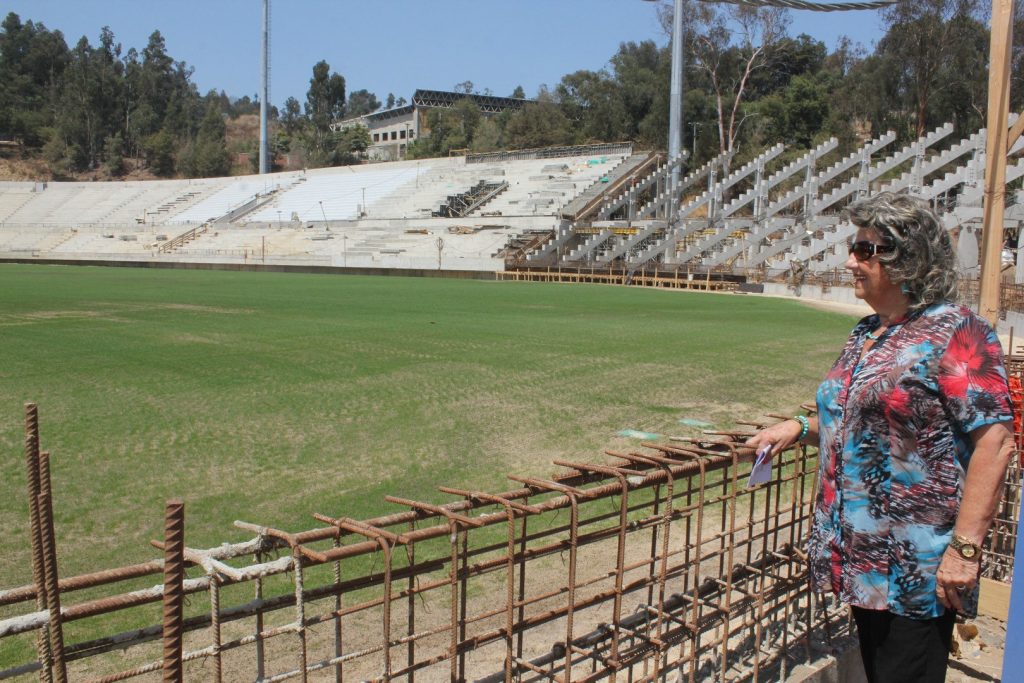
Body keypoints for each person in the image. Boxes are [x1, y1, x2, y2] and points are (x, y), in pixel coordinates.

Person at [746, 192, 1015, 683]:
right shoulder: (867, 331)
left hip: (916, 565)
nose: (851, 261)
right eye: (855, 248)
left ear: (908, 259)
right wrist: (799, 427)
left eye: (865, 250)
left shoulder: (957, 331)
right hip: (862, 558)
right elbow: (859, 421)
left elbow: (995, 443)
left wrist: (965, 550)